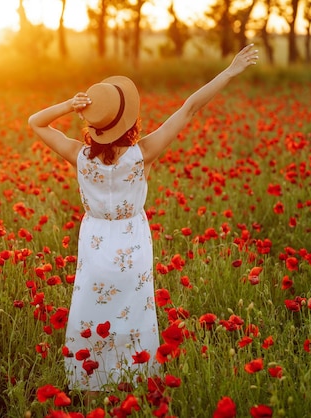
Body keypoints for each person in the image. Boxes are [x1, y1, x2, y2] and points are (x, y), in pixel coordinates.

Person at [28, 44, 259, 401]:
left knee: (91, 312)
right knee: (132, 316)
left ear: (93, 123)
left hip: (94, 244)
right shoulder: (144, 153)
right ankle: (132, 389)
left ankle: (91, 392)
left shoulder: (78, 155)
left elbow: (35, 122)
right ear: (128, 120)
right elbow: (190, 108)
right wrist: (229, 71)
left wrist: (68, 106)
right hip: (130, 243)